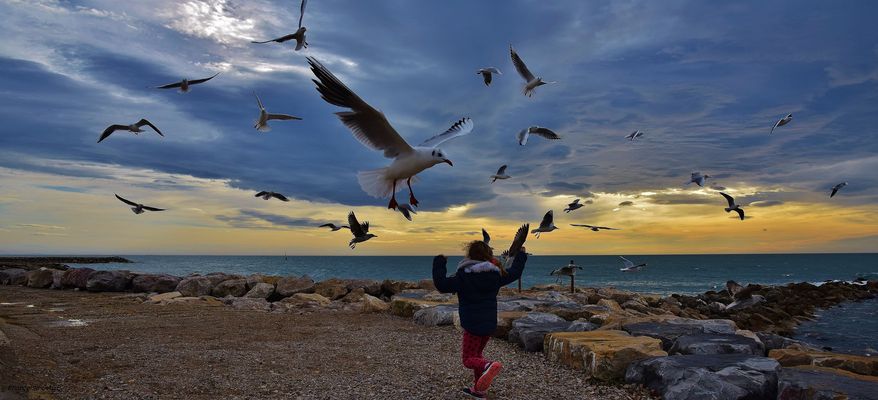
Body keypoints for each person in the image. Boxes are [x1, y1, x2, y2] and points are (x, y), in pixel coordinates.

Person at [432, 240, 528, 398]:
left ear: (470, 254)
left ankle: (488, 365)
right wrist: (521, 255)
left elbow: (442, 285)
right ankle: (479, 390)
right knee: (476, 355)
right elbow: (515, 272)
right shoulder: (496, 274)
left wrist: (439, 262)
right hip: (488, 325)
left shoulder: (464, 276)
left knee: (468, 359)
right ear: (488, 255)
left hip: (472, 325)